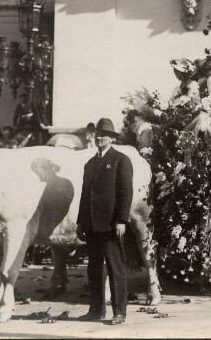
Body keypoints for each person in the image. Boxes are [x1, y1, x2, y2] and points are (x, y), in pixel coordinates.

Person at [76, 118, 133, 325]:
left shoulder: (121, 160)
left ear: (112, 138)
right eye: (98, 134)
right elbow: (85, 195)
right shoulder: (89, 164)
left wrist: (121, 220)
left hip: (111, 224)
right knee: (94, 268)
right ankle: (96, 310)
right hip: (91, 224)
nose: (100, 137)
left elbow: (125, 192)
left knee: (115, 267)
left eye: (105, 134)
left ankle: (120, 312)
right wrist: (80, 222)